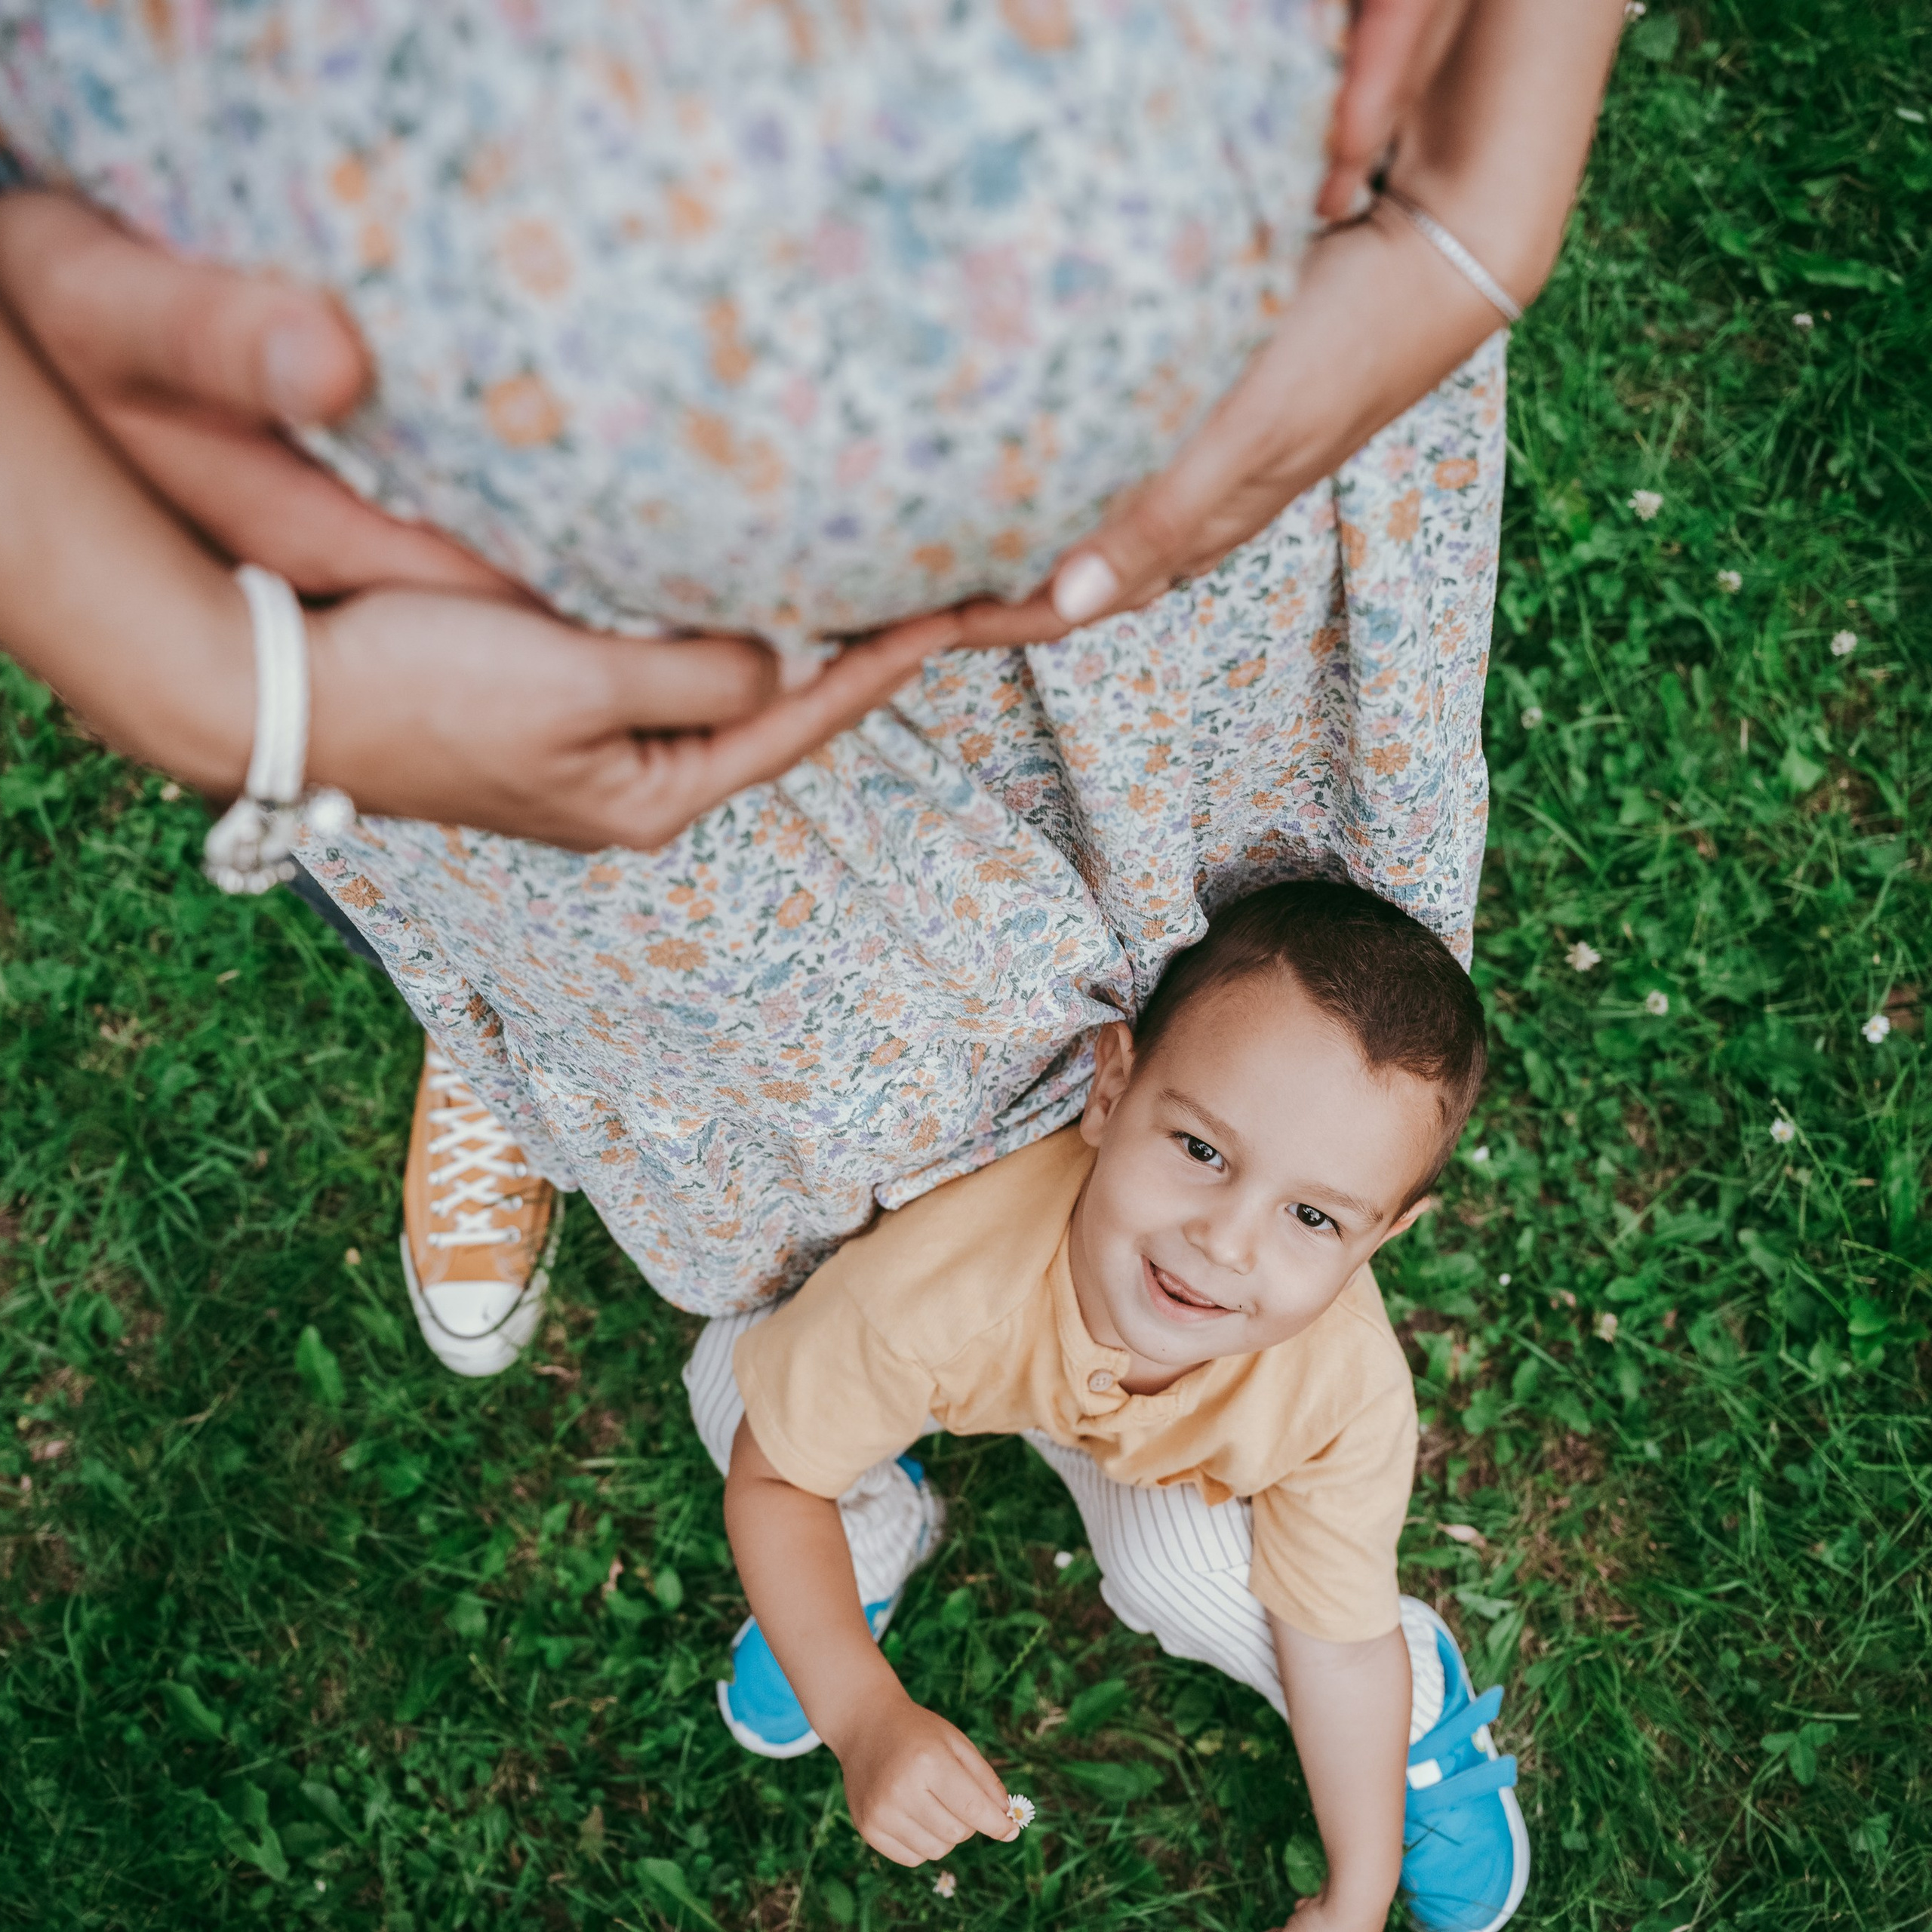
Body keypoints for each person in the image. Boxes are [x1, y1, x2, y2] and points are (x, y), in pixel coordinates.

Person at [0, 2, 1630, 1365]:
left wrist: (1482, 198)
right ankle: (517, 1050)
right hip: (428, 496)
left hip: (1205, 429)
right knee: (613, 929)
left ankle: (1127, 1155)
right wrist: (207, 678)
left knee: (1238, 917)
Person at [681, 880, 1520, 1932]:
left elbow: (1339, 1646)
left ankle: (1421, 1710)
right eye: (1203, 1152)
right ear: (1113, 1089)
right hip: (972, 1347)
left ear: (1378, 1242)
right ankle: (868, 1527)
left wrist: (1358, 1893)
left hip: (1161, 1451)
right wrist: (863, 1713)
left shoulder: (1338, 1387)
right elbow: (774, 1476)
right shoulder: (932, 1292)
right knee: (733, 1379)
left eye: (1311, 1214)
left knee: (1185, 1574)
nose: (1225, 1243)